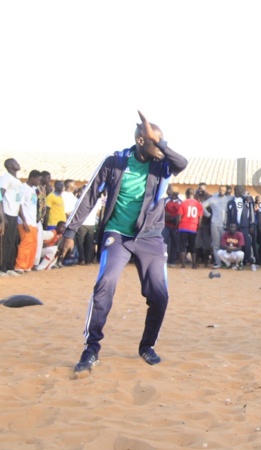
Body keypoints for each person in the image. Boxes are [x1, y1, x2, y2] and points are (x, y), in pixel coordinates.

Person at [59, 112, 188, 374]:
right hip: (117, 235)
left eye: (162, 141)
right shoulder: (115, 162)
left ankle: (147, 345)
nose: (160, 146)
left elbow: (182, 162)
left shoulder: (161, 164)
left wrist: (161, 143)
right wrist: (70, 233)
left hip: (151, 237)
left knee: (160, 295)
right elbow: (89, 196)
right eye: (154, 141)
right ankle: (91, 348)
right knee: (105, 284)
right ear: (141, 140)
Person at [14, 170, 42, 273]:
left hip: (33, 222)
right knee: (25, 244)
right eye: (38, 180)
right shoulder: (22, 188)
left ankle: (27, 266)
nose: (39, 182)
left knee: (33, 245)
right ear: (31, 178)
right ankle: (19, 266)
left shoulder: (34, 189)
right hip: (25, 222)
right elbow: (19, 205)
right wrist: (24, 221)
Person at [0, 158, 23, 276]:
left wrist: (22, 218)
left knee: (12, 241)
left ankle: (9, 267)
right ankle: (1, 268)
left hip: (14, 214)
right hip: (6, 213)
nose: (18, 164)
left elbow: (18, 200)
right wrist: (2, 218)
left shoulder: (17, 181)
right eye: (15, 162)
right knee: (4, 242)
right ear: (9, 165)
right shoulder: (6, 178)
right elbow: (0, 197)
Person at [227, 185, 256, 270]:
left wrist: (252, 224)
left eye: (241, 190)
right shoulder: (231, 202)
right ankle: (238, 262)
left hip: (245, 226)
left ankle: (250, 260)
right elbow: (228, 215)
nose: (239, 191)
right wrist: (228, 226)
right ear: (235, 191)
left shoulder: (247, 200)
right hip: (234, 228)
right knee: (236, 244)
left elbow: (251, 213)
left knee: (247, 244)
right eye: (237, 189)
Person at [203, 185, 231, 269]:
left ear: (225, 191)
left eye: (223, 190)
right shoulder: (213, 199)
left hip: (224, 225)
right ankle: (218, 262)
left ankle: (225, 262)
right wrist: (208, 215)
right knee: (216, 245)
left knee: (225, 244)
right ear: (218, 190)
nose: (221, 191)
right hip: (214, 224)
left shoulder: (228, 199)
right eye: (220, 190)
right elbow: (202, 205)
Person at [177, 187, 203, 269]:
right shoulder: (198, 204)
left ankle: (183, 265)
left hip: (183, 227)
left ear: (186, 194)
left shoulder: (183, 203)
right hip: (193, 227)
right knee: (192, 246)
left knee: (182, 246)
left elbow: (179, 217)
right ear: (193, 194)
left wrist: (178, 225)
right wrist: (198, 226)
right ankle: (194, 264)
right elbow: (200, 218)